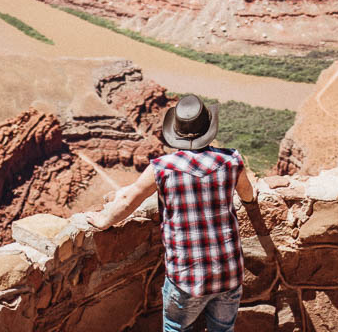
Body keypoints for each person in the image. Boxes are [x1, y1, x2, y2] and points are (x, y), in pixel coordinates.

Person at [86, 94, 256, 332]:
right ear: (208, 129)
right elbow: (248, 193)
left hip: (186, 278)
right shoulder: (231, 160)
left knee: (176, 329)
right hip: (228, 272)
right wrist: (250, 202)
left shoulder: (162, 168)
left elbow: (128, 198)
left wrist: (103, 220)